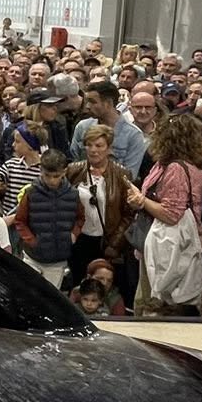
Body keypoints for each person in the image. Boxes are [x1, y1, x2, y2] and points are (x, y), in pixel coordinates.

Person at [128, 112, 202, 314]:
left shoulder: (176, 168)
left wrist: (141, 201)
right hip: (162, 243)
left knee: (155, 305)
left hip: (168, 248)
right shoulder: (173, 165)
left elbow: (171, 214)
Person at [65, 125, 136, 296]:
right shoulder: (73, 170)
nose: (93, 150)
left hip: (107, 242)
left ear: (109, 148)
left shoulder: (121, 175)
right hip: (78, 240)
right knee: (78, 287)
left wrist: (115, 244)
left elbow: (128, 214)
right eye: (89, 145)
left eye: (99, 145)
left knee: (104, 291)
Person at [11, 149, 78, 289]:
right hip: (32, 257)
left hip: (57, 259)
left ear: (64, 172)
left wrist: (73, 234)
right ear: (41, 170)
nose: (52, 180)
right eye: (47, 175)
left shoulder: (74, 195)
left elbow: (80, 218)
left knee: (50, 299)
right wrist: (31, 240)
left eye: (56, 176)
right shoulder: (31, 193)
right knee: (28, 293)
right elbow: (20, 220)